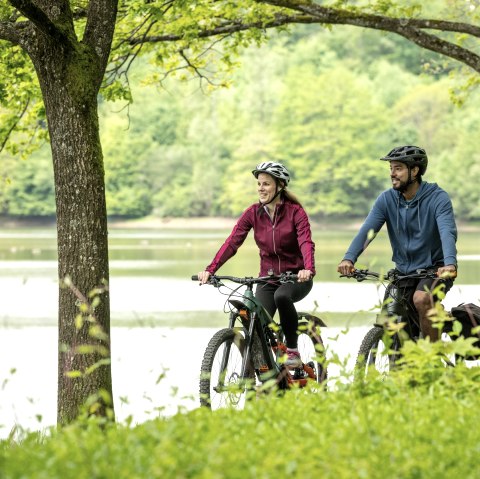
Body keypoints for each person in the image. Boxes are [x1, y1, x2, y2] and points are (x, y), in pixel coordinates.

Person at [197, 161, 316, 368]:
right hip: (267, 278)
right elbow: (233, 242)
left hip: (296, 277)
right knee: (253, 315)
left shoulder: (295, 213)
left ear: (280, 186)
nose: (261, 188)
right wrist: (211, 269)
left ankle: (293, 350)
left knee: (282, 296)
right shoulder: (253, 213)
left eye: (266, 184)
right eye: (259, 184)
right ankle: (265, 370)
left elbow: (306, 241)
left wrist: (308, 268)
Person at [337, 145, 457, 341]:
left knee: (422, 298)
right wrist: (349, 258)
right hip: (403, 272)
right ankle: (396, 366)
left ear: (415, 171)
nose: (392, 174)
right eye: (391, 168)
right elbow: (367, 231)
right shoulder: (386, 199)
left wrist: (449, 264)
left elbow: (447, 232)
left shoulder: (438, 198)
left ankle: (431, 360)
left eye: (398, 168)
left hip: (435, 269)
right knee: (390, 318)